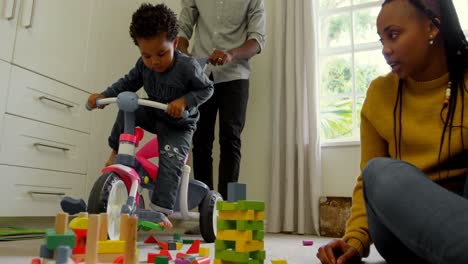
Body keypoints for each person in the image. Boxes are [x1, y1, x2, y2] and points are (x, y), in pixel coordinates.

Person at [317, 0, 468, 263]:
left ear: (432, 28)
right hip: (404, 227)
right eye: (381, 40)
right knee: (378, 172)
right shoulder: (380, 94)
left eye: (394, 35)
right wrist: (355, 239)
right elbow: (368, 181)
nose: (385, 50)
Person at [87, 3, 214, 229]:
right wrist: (105, 96)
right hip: (155, 114)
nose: (154, 61)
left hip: (179, 125)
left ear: (175, 43)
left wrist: (184, 102)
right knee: (127, 104)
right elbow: (128, 82)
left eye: (161, 53)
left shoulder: (188, 67)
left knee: (171, 163)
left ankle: (162, 211)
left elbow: (206, 89)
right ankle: (116, 153)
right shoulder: (143, 66)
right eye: (146, 55)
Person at [177, 0, 266, 199]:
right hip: (201, 73)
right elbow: (183, 27)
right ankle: (205, 210)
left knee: (231, 139)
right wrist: (182, 49)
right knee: (200, 141)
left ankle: (228, 210)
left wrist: (231, 54)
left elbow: (257, 40)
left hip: (236, 74)